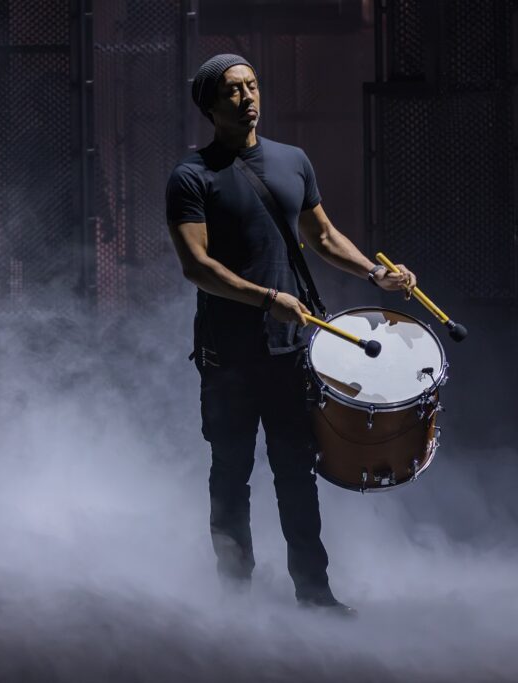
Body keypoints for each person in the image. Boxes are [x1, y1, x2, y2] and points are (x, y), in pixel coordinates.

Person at [166, 54, 415, 615]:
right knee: (230, 476)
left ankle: (314, 593)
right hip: (226, 355)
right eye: (232, 90)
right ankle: (235, 598)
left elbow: (322, 236)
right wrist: (268, 299)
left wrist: (375, 273)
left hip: (288, 354)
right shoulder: (192, 176)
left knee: (296, 475)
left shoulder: (292, 160)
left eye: (252, 85)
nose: (247, 97)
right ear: (210, 105)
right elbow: (196, 267)